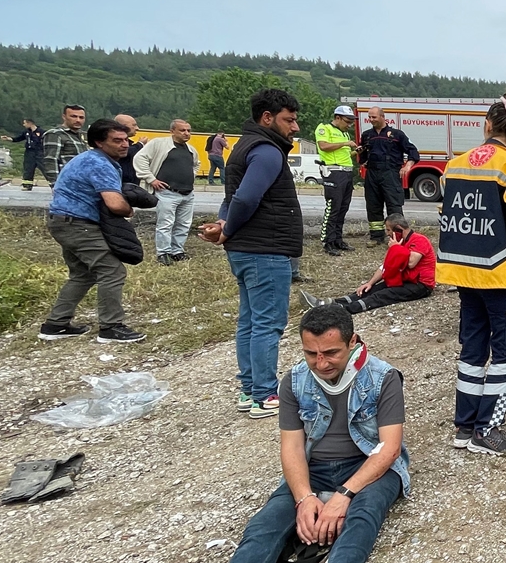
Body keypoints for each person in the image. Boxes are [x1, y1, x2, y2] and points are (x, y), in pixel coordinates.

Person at [97, 304, 411, 563]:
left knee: (363, 513)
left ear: (352, 342)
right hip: (317, 469)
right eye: (311, 353)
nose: (321, 363)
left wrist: (343, 496)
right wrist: (304, 497)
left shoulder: (383, 377)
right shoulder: (293, 382)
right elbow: (291, 447)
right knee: (265, 523)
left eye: (331, 353)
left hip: (369, 466)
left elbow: (387, 449)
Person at [438, 95, 506, 457]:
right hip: (502, 274)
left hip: (464, 272)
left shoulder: (455, 165)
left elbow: (447, 215)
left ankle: (464, 427)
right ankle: (488, 429)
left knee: (473, 347)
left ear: (486, 126)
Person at [198, 88, 303, 420]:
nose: (295, 127)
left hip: (246, 249)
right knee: (268, 324)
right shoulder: (267, 152)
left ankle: (249, 389)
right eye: (289, 120)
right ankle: (264, 395)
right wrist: (226, 229)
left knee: (250, 320)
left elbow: (233, 197)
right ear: (267, 118)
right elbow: (244, 199)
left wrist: (223, 225)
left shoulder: (243, 147)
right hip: (265, 250)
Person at [38, 119, 144, 344]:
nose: (124, 144)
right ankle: (111, 327)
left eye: (126, 140)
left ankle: (55, 325)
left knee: (82, 274)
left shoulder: (89, 159)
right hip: (79, 224)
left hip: (63, 221)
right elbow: (115, 204)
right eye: (117, 140)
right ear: (99, 142)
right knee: (112, 271)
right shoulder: (99, 163)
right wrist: (129, 209)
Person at [300, 213, 435, 314]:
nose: (387, 234)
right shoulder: (400, 243)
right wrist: (370, 283)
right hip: (405, 280)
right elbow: (386, 267)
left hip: (420, 285)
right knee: (369, 290)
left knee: (382, 295)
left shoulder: (419, 240)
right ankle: (328, 303)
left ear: (398, 229)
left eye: (389, 230)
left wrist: (396, 249)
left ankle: (339, 310)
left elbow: (411, 263)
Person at [134, 119, 200, 265]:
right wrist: (151, 179)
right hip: (167, 192)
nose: (186, 133)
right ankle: (163, 253)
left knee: (183, 224)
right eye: (182, 130)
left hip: (187, 193)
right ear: (172, 131)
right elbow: (140, 158)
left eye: (189, 130)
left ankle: (177, 251)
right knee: (166, 224)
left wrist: (191, 175)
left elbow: (196, 165)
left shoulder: (190, 150)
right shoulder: (159, 144)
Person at [359, 106, 419, 246]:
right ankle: (376, 237)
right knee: (373, 205)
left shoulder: (397, 134)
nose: (371, 119)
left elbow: (413, 151)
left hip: (390, 173)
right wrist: (363, 161)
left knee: (394, 206)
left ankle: (398, 237)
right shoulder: (367, 135)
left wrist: (408, 166)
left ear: (382, 116)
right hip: (372, 173)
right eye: (369, 117)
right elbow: (362, 156)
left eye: (374, 117)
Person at [316, 105, 360, 255]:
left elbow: (344, 155)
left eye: (351, 122)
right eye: (347, 121)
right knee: (333, 208)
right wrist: (345, 144)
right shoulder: (324, 128)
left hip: (346, 172)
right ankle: (328, 242)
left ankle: (338, 240)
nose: (349, 125)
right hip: (333, 172)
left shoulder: (345, 134)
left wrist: (356, 152)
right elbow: (324, 146)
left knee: (343, 208)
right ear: (337, 118)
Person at [42, 104, 88, 187]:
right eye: (73, 116)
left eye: (81, 117)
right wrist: (55, 184)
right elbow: (50, 160)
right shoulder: (55, 134)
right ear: (64, 117)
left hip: (82, 183)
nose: (78, 120)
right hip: (66, 183)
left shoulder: (81, 136)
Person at [7, 118, 46, 190]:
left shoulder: (42, 132)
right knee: (28, 169)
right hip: (29, 152)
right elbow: (18, 138)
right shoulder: (26, 132)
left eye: (25, 123)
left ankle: (54, 185)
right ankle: (27, 185)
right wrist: (9, 139)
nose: (23, 125)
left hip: (39, 152)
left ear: (30, 123)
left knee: (45, 168)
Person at [114, 114, 141, 184]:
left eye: (126, 140)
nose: (137, 128)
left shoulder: (131, 144)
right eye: (134, 125)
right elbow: (125, 153)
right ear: (123, 126)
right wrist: (140, 145)